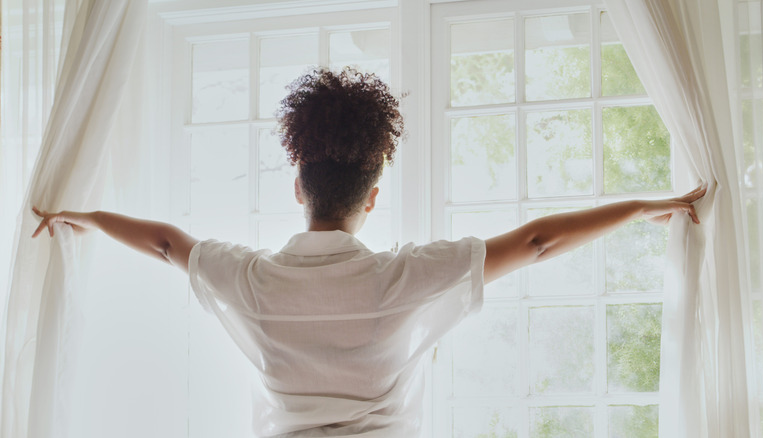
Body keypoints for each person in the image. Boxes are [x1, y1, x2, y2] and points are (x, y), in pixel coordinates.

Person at [32, 67, 706, 437]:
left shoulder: (252, 280)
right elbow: (535, 243)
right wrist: (642, 205)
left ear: (299, 185)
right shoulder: (402, 278)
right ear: (373, 197)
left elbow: (162, 242)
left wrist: (81, 216)